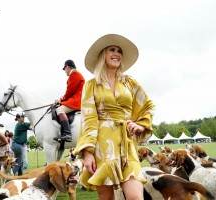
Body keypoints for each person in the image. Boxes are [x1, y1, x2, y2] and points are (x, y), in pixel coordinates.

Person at [73, 34, 155, 200]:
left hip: (127, 144)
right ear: (103, 54)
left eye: (119, 51)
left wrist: (141, 125)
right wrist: (88, 153)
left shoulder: (130, 83)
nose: (116, 53)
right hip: (102, 146)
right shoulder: (91, 85)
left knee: (135, 197)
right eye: (112, 49)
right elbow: (89, 118)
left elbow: (148, 105)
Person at [53, 59, 85, 142]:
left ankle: (67, 134)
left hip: (76, 100)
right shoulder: (76, 74)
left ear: (67, 67)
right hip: (74, 99)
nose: (65, 72)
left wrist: (60, 100)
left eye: (64, 69)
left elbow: (69, 91)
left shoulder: (75, 74)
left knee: (59, 109)